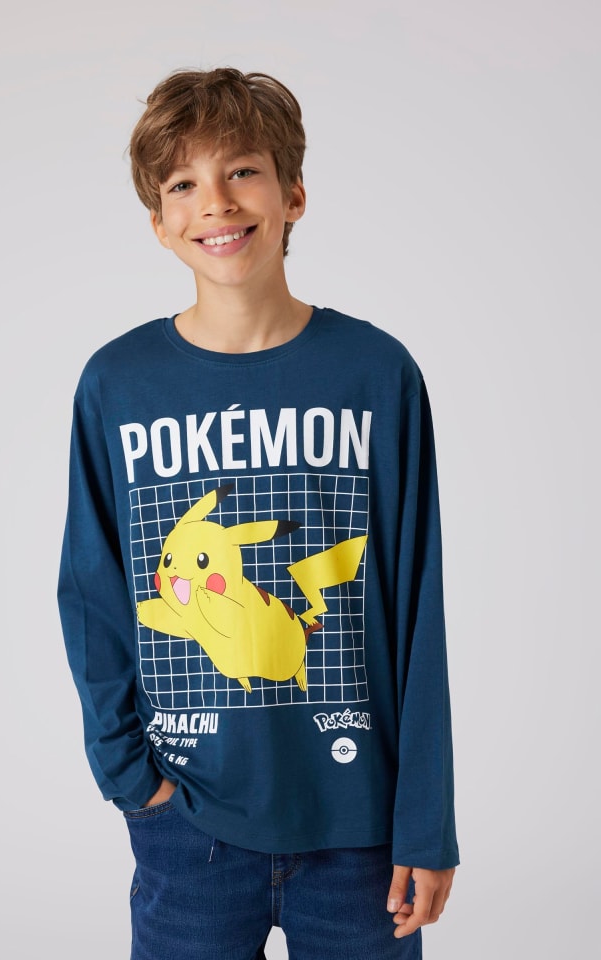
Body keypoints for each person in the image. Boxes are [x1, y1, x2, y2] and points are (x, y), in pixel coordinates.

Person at [58, 67, 458, 960]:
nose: (216, 202)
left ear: (293, 194)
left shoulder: (375, 374)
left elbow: (418, 606)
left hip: (361, 829)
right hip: (187, 823)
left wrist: (426, 823)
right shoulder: (117, 385)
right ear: (159, 223)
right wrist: (133, 782)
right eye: (183, 184)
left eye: (241, 170)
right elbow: (93, 597)